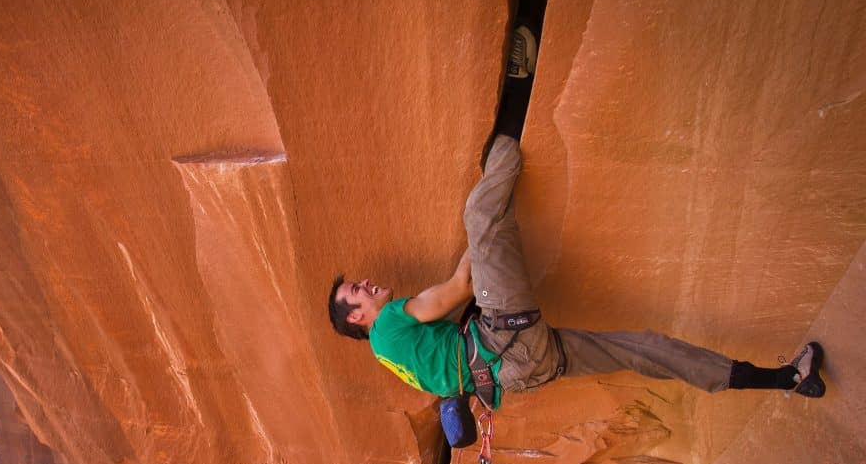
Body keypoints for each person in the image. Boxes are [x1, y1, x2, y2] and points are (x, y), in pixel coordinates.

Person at [327, 28, 826, 412]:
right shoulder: (388, 326)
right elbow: (461, 287)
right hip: (507, 337)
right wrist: (479, 233)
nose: (366, 284)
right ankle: (520, 89)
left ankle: (788, 379)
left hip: (524, 372)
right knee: (480, 210)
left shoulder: (392, 358)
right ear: (357, 318)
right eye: (356, 291)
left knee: (646, 351)